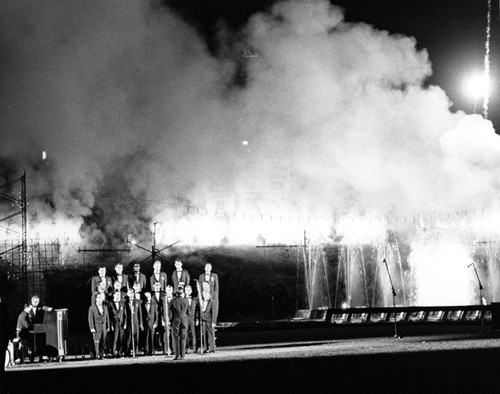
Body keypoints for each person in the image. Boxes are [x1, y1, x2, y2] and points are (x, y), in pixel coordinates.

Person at [29, 295, 53, 362]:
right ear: (32, 301)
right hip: (31, 329)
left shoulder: (40, 306)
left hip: (40, 327)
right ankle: (32, 357)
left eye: (37, 301)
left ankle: (41, 357)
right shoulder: (28, 307)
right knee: (32, 344)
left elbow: (46, 308)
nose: (36, 303)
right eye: (35, 301)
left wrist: (49, 308)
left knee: (41, 343)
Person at [88, 293, 110, 359]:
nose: (101, 299)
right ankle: (97, 354)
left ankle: (102, 353)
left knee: (104, 340)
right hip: (97, 326)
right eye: (99, 298)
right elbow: (90, 318)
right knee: (97, 340)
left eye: (101, 298)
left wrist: (108, 326)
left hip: (103, 326)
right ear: (96, 299)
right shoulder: (92, 308)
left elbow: (107, 317)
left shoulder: (104, 306)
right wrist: (92, 328)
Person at [169, 288, 189, 360]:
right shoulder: (186, 301)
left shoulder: (172, 301)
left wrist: (170, 320)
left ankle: (177, 355)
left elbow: (170, 312)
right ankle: (183, 355)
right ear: (182, 293)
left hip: (176, 319)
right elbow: (188, 311)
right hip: (184, 319)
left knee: (176, 337)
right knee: (183, 338)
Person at [108, 290, 127, 358]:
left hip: (121, 323)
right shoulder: (110, 303)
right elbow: (109, 315)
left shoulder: (122, 303)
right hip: (114, 323)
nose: (118, 296)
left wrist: (125, 323)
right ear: (114, 295)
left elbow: (125, 314)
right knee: (115, 338)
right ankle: (113, 352)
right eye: (117, 295)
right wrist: (111, 324)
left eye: (119, 295)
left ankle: (120, 352)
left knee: (121, 338)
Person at [124, 288, 143, 356]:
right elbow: (124, 313)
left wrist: (141, 323)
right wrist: (125, 323)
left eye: (132, 293)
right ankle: (128, 351)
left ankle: (135, 350)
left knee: (136, 336)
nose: (131, 294)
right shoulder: (125, 302)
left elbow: (140, 313)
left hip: (136, 321)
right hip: (129, 321)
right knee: (129, 336)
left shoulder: (137, 302)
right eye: (129, 293)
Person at [142, 292, 158, 356]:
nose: (147, 298)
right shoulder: (142, 304)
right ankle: (146, 351)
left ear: (150, 297)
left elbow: (156, 314)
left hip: (152, 323)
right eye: (146, 296)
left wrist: (156, 322)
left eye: (148, 296)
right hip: (145, 323)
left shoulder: (154, 304)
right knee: (146, 337)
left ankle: (152, 351)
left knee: (152, 337)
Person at [184, 285, 198, 353]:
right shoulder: (183, 299)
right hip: (185, 318)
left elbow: (197, 310)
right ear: (184, 291)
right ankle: (186, 348)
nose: (188, 291)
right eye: (186, 290)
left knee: (193, 333)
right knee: (185, 333)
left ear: (191, 291)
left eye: (189, 290)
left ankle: (195, 348)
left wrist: (197, 318)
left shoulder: (194, 299)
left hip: (193, 318)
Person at [0, 296, 9, 390]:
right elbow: (7, 323)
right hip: (3, 338)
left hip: (3, 337)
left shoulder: (3, 307)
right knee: (2, 356)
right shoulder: (4, 308)